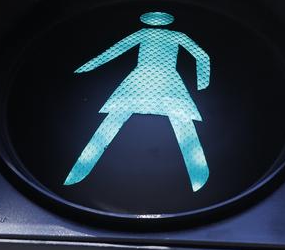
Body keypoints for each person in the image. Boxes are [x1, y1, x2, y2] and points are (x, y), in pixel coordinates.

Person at [64, 11, 211, 192]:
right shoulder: (175, 35)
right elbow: (202, 56)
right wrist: (201, 84)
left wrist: (87, 67)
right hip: (164, 82)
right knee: (181, 122)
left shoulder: (146, 33)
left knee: (115, 119)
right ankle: (199, 175)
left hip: (146, 81)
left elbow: (113, 51)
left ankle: (79, 170)